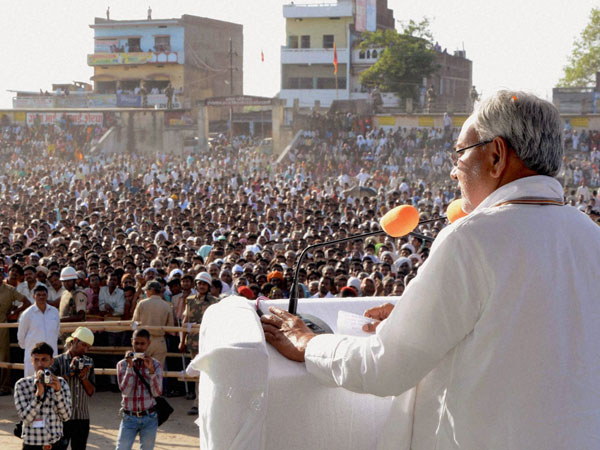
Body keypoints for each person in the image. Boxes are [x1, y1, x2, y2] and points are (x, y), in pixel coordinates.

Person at [261, 91, 600, 449]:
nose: (454, 171)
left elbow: (385, 368)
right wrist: (419, 318)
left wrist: (310, 344)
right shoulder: (591, 235)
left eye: (460, 153)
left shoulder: (472, 238)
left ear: (497, 156)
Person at [14, 341, 72, 449]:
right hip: (32, 444)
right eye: (36, 360)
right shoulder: (22, 385)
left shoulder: (61, 383)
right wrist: (38, 395)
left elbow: (66, 416)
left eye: (44, 359)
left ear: (51, 361)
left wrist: (58, 392)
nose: (40, 364)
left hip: (55, 444)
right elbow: (25, 418)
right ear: (31, 361)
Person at [115, 328, 162, 450]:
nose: (139, 347)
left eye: (143, 344)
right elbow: (125, 391)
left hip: (149, 417)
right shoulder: (122, 364)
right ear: (131, 342)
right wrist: (130, 367)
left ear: (148, 343)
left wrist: (151, 371)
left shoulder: (156, 365)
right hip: (129, 416)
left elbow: (157, 392)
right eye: (136, 343)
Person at [178, 271, 218, 414]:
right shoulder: (190, 300)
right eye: (199, 283)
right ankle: (197, 403)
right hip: (194, 342)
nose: (201, 286)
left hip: (209, 342)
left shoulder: (214, 302)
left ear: (208, 286)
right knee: (197, 372)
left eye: (204, 284)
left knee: (210, 371)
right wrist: (182, 340)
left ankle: (209, 403)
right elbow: (185, 320)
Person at [50, 327, 95, 450]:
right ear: (75, 340)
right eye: (83, 345)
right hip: (61, 417)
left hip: (82, 417)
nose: (85, 350)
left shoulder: (88, 362)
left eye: (88, 347)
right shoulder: (57, 361)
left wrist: (83, 377)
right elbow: (50, 387)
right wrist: (70, 373)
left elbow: (91, 392)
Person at [18, 285, 60, 377]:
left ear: (47, 296)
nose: (41, 297)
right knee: (31, 383)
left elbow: (56, 332)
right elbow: (21, 336)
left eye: (44, 295)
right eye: (38, 295)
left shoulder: (54, 312)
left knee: (52, 382)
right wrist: (30, 349)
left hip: (51, 355)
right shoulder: (27, 313)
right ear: (34, 296)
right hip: (33, 356)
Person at [132, 281, 174, 368]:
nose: (145, 292)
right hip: (159, 341)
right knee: (157, 370)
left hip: (142, 341)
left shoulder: (142, 303)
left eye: (146, 290)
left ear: (151, 290)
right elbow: (170, 328)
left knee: (140, 368)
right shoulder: (167, 305)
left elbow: (134, 322)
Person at [0, 267, 25, 395]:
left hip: (3, 326)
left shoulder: (10, 290)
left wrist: (15, 312)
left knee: (3, 355)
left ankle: (4, 385)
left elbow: (26, 302)